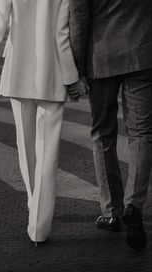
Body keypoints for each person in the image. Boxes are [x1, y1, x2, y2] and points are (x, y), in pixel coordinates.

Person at [0, 0, 87, 244]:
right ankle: (40, 225)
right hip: (51, 74)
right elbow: (62, 35)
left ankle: (34, 203)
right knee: (48, 153)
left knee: (26, 146)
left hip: (18, 71)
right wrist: (72, 78)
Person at [69, 0, 152, 250]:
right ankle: (133, 206)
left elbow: (78, 19)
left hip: (100, 58)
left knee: (103, 133)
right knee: (142, 134)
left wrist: (76, 69)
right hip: (142, 54)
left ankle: (111, 212)